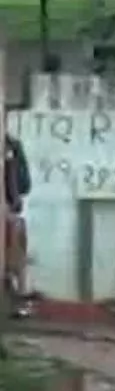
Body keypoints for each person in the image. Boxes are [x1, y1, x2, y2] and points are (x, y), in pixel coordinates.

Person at [4, 133, 32, 318]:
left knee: (16, 259)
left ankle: (19, 301)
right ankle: (18, 301)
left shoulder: (12, 152)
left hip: (10, 212)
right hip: (12, 212)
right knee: (17, 260)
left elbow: (22, 185)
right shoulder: (13, 149)